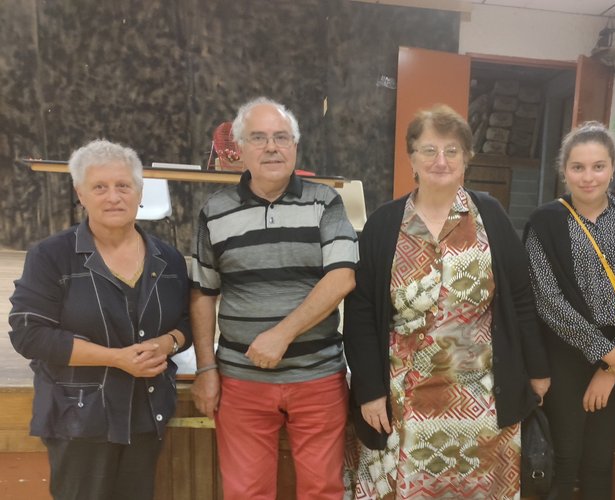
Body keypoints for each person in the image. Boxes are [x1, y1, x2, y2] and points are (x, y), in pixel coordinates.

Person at [343, 104, 551, 499]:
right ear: (411, 159)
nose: (441, 161)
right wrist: (369, 389)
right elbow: (361, 311)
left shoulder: (490, 215)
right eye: (428, 150)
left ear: (466, 158)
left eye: (451, 150)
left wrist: (537, 370)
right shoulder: (385, 224)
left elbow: (521, 299)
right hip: (401, 398)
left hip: (481, 398)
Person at [189, 97, 358, 500]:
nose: (271, 147)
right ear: (240, 149)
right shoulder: (215, 212)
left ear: (295, 147)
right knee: (246, 493)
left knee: (323, 491)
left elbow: (342, 277)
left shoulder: (325, 202)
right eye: (259, 138)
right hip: (241, 380)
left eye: (282, 137)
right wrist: (205, 369)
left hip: (317, 376)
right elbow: (202, 293)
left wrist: (281, 334)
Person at [8, 140, 191, 500]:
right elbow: (30, 334)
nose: (113, 197)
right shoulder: (51, 256)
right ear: (81, 194)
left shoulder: (168, 259)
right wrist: (116, 359)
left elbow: (185, 321)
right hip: (79, 418)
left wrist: (167, 342)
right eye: (99, 187)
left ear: (139, 192)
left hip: (146, 412)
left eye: (123, 186)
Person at [524, 122, 615, 499]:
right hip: (566, 354)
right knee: (565, 458)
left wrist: (614, 364)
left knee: (600, 460)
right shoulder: (545, 221)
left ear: (613, 168)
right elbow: (547, 300)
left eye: (598, 166)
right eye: (578, 167)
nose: (588, 177)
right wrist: (605, 354)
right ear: (564, 170)